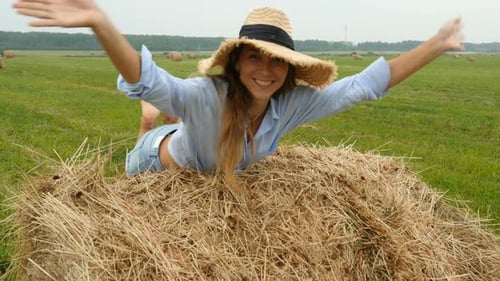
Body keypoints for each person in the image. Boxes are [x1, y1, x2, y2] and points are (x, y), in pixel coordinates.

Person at [13, 1, 464, 188]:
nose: (265, 71)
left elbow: (364, 86)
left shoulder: (291, 105)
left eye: (276, 61)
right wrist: (100, 22)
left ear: (289, 69)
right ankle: (150, 123)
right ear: (237, 62)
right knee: (162, 108)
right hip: (156, 166)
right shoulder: (208, 95)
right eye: (255, 58)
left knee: (174, 112)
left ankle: (160, 118)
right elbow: (151, 79)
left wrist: (437, 44)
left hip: (201, 154)